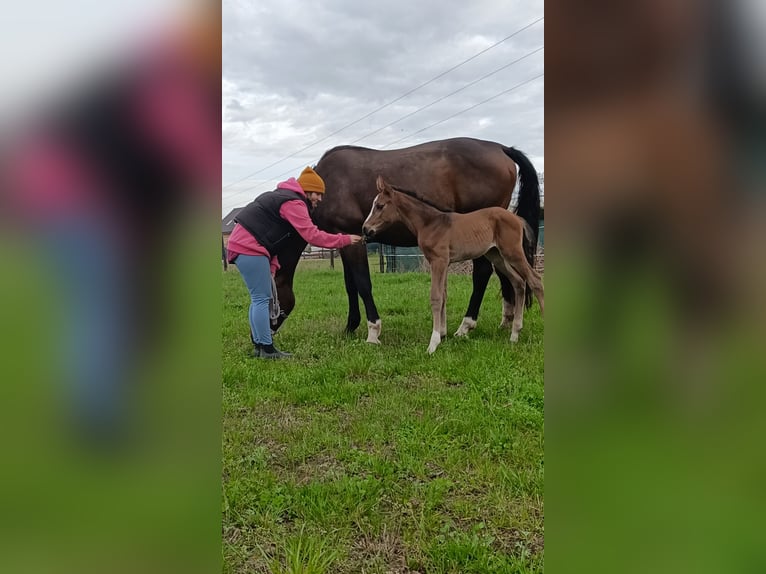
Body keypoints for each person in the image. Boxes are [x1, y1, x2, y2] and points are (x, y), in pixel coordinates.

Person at [226, 166, 363, 359]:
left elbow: (272, 235)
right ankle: (267, 348)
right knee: (261, 299)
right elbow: (312, 235)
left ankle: (259, 346)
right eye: (317, 194)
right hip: (249, 248)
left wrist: (272, 264)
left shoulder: (283, 197)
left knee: (258, 298)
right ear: (307, 190)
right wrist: (344, 240)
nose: (320, 199)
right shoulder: (294, 203)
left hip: (247, 246)